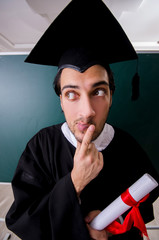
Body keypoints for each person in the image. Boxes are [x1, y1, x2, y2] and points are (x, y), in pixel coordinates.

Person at [6, 0, 159, 240]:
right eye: (71, 94)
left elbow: (144, 204)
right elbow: (24, 220)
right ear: (60, 101)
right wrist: (76, 181)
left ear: (111, 97)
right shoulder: (41, 146)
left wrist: (115, 224)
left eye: (98, 91)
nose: (87, 111)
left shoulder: (127, 146)